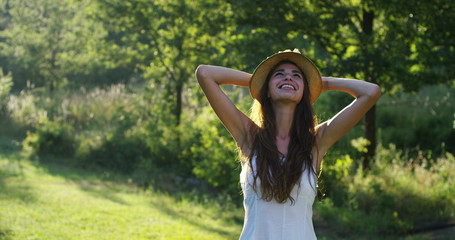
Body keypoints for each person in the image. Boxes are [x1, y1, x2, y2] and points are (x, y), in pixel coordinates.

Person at [195, 49, 381, 240]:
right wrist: (260, 81)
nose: (288, 78)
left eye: (296, 76)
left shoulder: (316, 142)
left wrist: (321, 83)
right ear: (266, 90)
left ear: (305, 91)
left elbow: (371, 92)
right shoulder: (249, 137)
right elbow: (205, 74)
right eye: (279, 74)